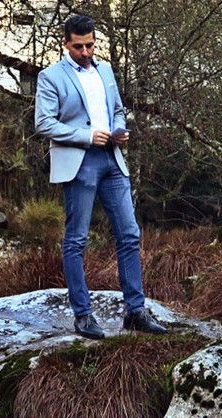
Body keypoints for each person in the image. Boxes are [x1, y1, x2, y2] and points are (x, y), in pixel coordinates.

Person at [34, 14, 166, 339]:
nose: (85, 51)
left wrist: (120, 129)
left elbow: (117, 108)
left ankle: (135, 312)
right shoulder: (50, 77)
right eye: (78, 46)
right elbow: (44, 123)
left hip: (112, 160)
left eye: (90, 45)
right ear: (66, 44)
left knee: (130, 234)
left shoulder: (105, 70)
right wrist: (86, 135)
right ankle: (83, 316)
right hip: (80, 163)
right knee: (77, 239)